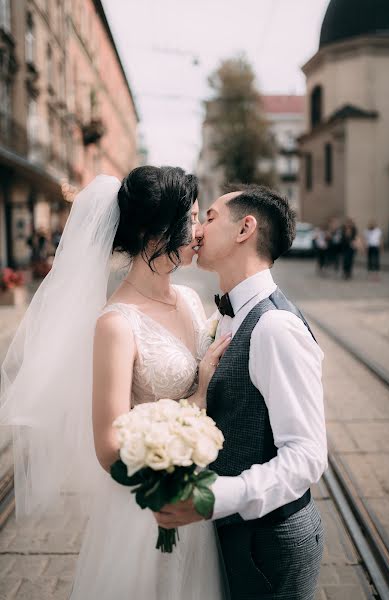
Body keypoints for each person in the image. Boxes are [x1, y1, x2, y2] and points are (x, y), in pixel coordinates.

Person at [0, 166, 230, 599]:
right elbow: (108, 448)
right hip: (149, 508)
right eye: (193, 218)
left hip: (204, 492)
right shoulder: (116, 324)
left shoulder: (188, 297)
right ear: (155, 231)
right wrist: (197, 399)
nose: (199, 232)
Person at [155, 185, 327, 599]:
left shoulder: (274, 326)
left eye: (209, 217)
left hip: (270, 543)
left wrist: (215, 497)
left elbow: (307, 456)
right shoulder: (226, 314)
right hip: (238, 535)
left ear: (244, 229)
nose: (196, 231)